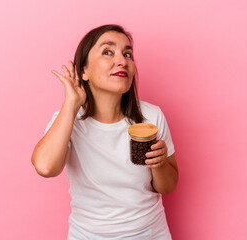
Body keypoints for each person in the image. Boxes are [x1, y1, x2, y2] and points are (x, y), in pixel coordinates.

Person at [31, 24, 179, 240]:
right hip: (88, 235)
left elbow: (168, 187)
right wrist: (71, 104)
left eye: (127, 54)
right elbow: (45, 167)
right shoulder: (68, 119)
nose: (122, 61)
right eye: (108, 52)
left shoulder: (151, 117)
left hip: (150, 233)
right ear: (84, 71)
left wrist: (159, 163)